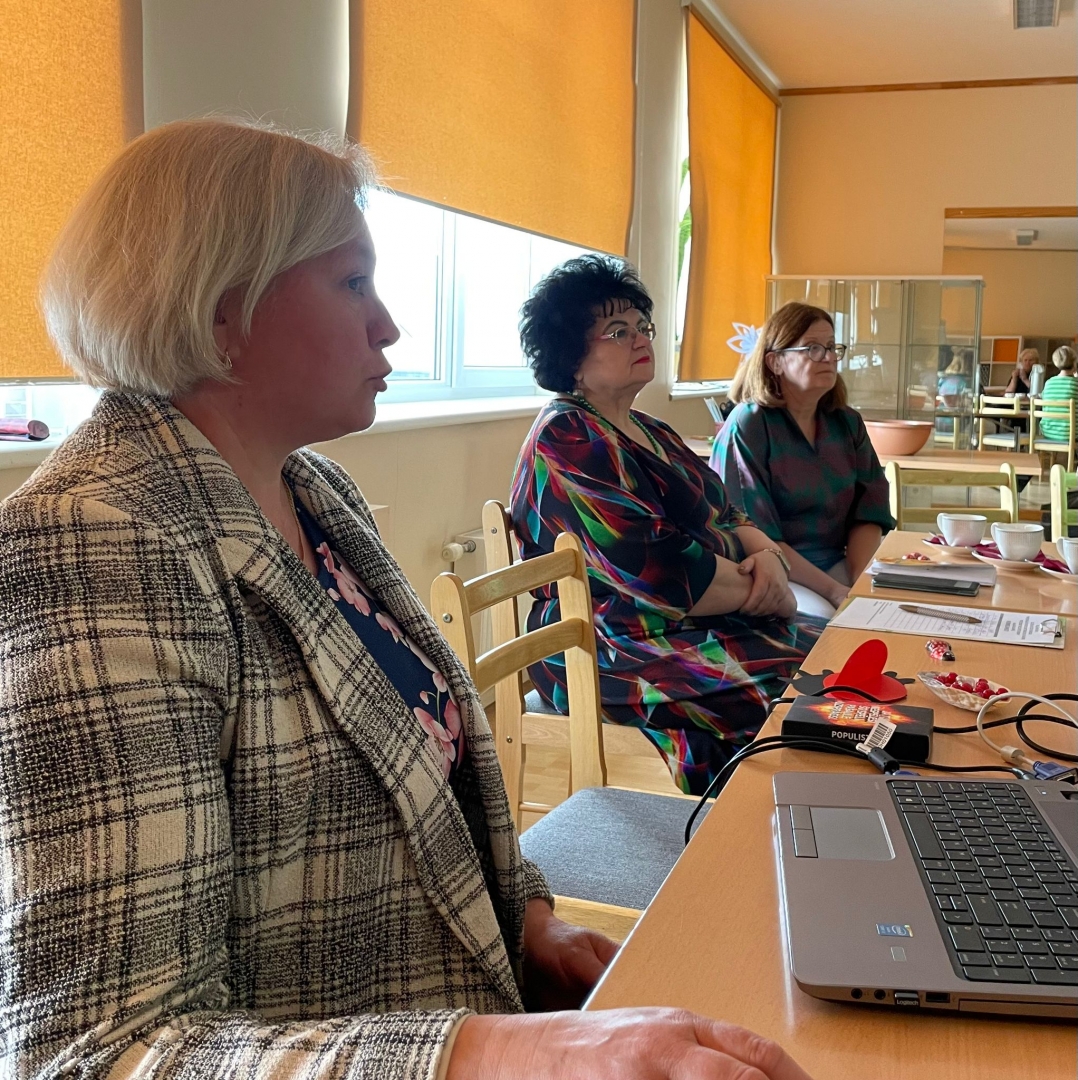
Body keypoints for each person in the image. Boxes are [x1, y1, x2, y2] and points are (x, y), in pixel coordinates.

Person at [0, 120, 813, 1080]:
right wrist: (496, 1056)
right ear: (221, 310)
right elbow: (97, 1050)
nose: (388, 326)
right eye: (354, 283)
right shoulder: (90, 542)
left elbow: (426, 784)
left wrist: (531, 925)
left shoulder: (316, 492)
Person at [509, 257, 825, 797]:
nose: (639, 338)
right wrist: (769, 591)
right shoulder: (568, 438)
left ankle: (791, 814)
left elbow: (730, 514)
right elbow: (658, 572)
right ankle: (751, 824)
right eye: (617, 331)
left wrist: (771, 560)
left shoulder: (651, 429)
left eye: (642, 326)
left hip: (687, 623)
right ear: (571, 358)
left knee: (833, 658)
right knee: (802, 695)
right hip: (607, 646)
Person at [710, 302, 895, 619]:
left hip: (837, 564)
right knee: (827, 622)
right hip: (771, 569)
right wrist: (834, 591)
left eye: (832, 347)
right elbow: (755, 535)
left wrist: (860, 582)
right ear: (775, 362)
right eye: (812, 348)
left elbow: (868, 513)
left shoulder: (846, 423)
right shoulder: (750, 424)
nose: (828, 357)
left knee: (887, 612)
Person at [1039, 345, 1078, 443]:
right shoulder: (1075, 383)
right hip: (1071, 434)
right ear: (1075, 362)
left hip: (1048, 433)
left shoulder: (1048, 383)